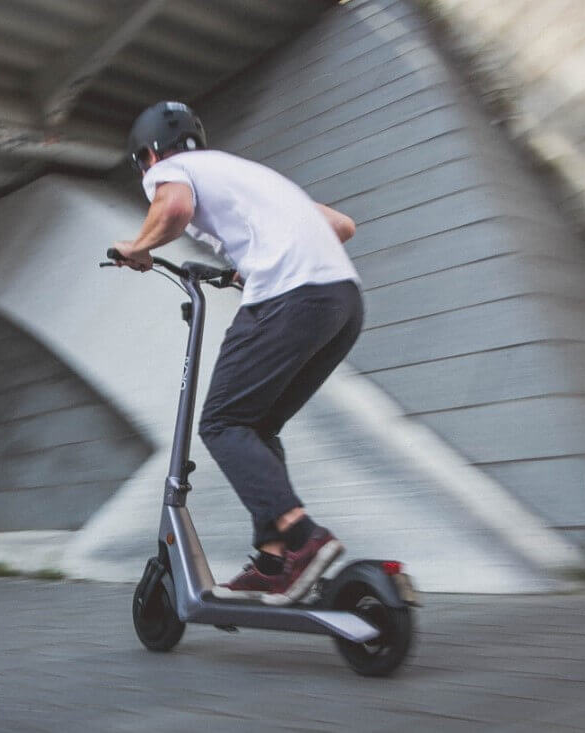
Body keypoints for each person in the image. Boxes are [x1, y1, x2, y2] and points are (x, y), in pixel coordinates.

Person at [112, 101, 363, 606]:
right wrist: (246, 266)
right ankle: (273, 562)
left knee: (222, 424)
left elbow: (175, 209)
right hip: (342, 303)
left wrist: (138, 246)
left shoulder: (170, 171)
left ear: (148, 154)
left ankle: (302, 536)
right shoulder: (243, 172)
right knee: (256, 426)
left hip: (290, 297)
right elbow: (341, 226)